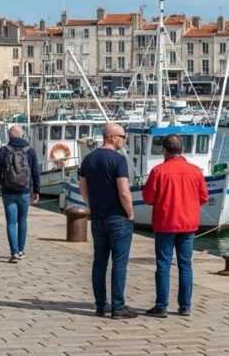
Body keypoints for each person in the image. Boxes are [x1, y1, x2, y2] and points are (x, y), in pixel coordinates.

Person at [141, 134, 209, 318]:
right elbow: (204, 197)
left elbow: (147, 198)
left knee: (163, 265)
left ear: (164, 151)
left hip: (165, 223)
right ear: (182, 150)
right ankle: (185, 306)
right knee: (185, 265)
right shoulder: (195, 171)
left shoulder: (159, 171)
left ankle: (161, 306)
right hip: (188, 223)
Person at [78, 122, 135, 319]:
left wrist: (90, 205)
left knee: (99, 261)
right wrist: (130, 213)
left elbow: (82, 187)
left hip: (98, 217)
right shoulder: (118, 160)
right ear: (112, 137)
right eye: (122, 136)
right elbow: (124, 191)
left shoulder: (88, 159)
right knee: (119, 263)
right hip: (118, 217)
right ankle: (118, 306)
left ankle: (101, 305)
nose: (123, 140)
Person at [0, 124, 40, 264]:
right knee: (22, 220)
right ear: (22, 135)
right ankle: (21, 250)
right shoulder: (30, 151)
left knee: (11, 222)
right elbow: (35, 173)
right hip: (25, 191)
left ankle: (13, 252)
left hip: (8, 192)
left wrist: (3, 183)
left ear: (9, 136)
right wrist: (36, 190)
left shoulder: (4, 150)